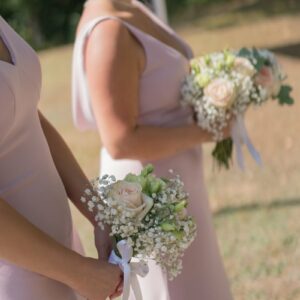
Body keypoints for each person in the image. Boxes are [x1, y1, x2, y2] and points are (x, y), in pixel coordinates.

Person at [72, 0, 234, 299]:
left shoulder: (132, 6)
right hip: (148, 197)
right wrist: (208, 130)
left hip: (180, 184)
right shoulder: (108, 31)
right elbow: (120, 141)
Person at [0, 15, 122, 300]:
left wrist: (98, 213)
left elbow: (26, 117)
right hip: (15, 274)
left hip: (61, 251)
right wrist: (79, 273)